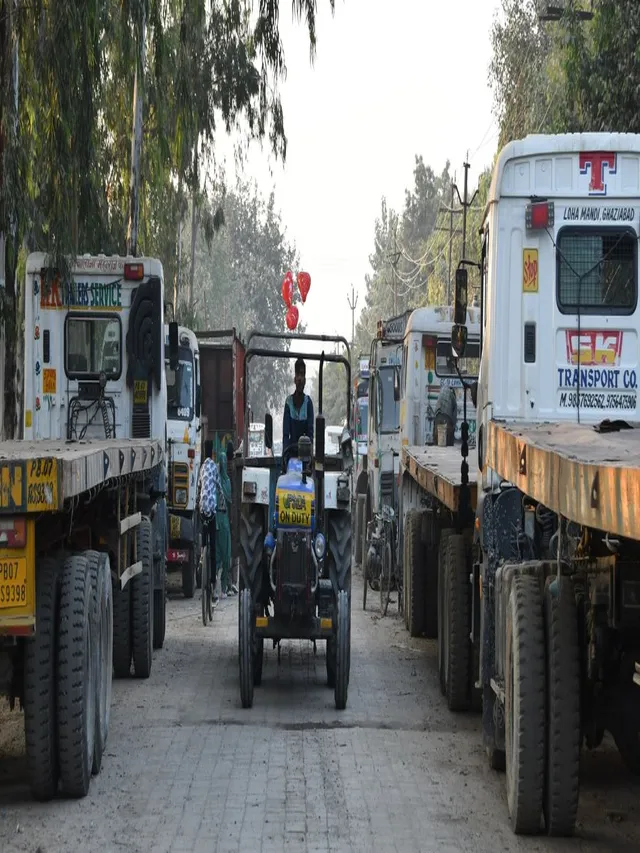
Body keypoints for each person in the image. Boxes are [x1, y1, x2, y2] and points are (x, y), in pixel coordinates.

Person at [196, 439, 221, 605]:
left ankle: (200, 560)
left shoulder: (202, 467)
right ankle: (212, 585)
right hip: (212, 509)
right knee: (213, 548)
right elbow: (218, 486)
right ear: (212, 453)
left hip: (201, 509)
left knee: (203, 541)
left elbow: (199, 486)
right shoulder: (214, 467)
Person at [283, 357, 315, 455]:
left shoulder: (308, 403)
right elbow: (286, 434)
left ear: (305, 379)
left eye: (302, 375)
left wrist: (310, 456)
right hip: (291, 454)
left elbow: (310, 433)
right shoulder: (289, 402)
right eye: (298, 375)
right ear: (294, 379)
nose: (300, 379)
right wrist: (285, 455)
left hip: (305, 455)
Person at [216, 455, 236, 597]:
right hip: (222, 520)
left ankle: (220, 588)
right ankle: (221, 588)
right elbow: (230, 502)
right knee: (224, 555)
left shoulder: (216, 482)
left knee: (221, 554)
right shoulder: (226, 482)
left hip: (218, 520)